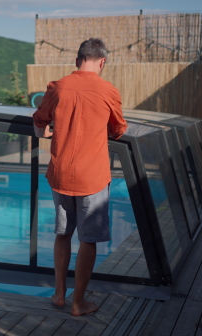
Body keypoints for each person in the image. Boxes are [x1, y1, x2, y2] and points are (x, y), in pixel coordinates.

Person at [32, 38, 127, 316]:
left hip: (61, 175)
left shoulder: (58, 87)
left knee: (63, 234)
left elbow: (39, 119)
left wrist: (46, 131)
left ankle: (59, 294)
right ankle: (78, 302)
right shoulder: (107, 90)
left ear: (77, 61)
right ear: (102, 62)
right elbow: (118, 128)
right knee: (88, 240)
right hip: (92, 178)